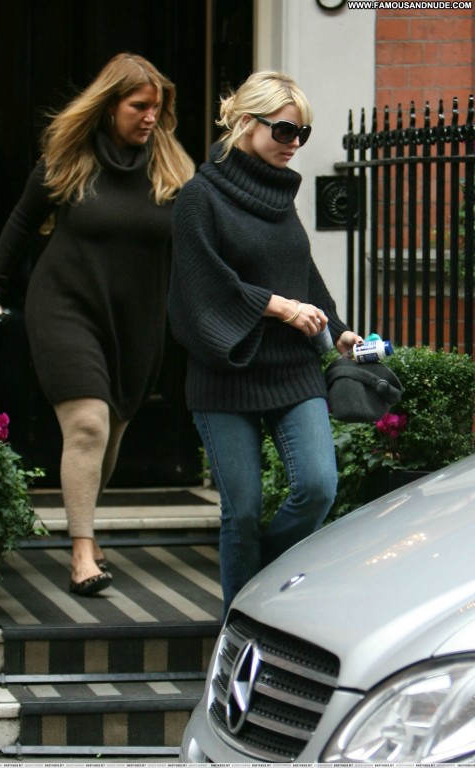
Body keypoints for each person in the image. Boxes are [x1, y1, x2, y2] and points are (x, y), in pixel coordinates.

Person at [0, 53, 194, 596]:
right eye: (139, 106)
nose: (150, 117)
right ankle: (81, 552)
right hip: (66, 306)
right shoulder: (71, 159)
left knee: (112, 431)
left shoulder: (173, 167)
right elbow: (22, 222)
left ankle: (85, 526)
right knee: (88, 426)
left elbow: (196, 246)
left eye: (157, 107)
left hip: (137, 320)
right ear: (110, 105)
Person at [168, 71, 363, 615]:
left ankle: (259, 585)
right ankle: (239, 624)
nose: (294, 143)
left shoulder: (280, 193)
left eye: (302, 132)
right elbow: (201, 287)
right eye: (283, 130)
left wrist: (336, 329)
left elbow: (300, 271)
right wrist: (276, 306)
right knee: (244, 512)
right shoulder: (199, 197)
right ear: (245, 123)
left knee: (319, 486)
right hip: (225, 372)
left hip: (292, 367)